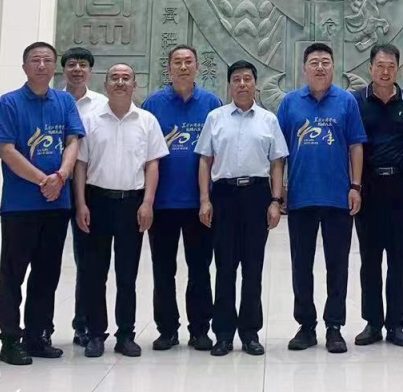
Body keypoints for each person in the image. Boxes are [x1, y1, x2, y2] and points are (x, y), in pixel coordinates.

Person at [0, 42, 84, 365]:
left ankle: (37, 335)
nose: (42, 65)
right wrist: (44, 180)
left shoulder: (64, 101)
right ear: (25, 66)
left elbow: (72, 141)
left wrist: (61, 175)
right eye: (35, 60)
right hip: (21, 205)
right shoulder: (9, 102)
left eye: (47, 60)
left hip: (57, 205)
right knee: (13, 275)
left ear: (54, 66)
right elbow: (7, 150)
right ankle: (9, 340)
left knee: (47, 274)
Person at [277, 43, 367, 353]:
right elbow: (279, 152)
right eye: (314, 62)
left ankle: (334, 326)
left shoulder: (346, 101)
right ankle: (306, 325)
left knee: (337, 265)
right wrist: (280, 190)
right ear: (304, 68)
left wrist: (355, 186)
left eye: (325, 62)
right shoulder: (290, 103)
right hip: (300, 197)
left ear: (333, 67)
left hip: (337, 197)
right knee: (301, 265)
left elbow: (356, 146)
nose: (320, 67)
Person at [74, 64, 169, 358]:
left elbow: (152, 164)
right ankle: (95, 334)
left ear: (134, 84)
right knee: (94, 273)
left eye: (126, 78)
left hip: (132, 203)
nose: (120, 82)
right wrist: (81, 203)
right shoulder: (90, 120)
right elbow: (80, 165)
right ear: (105, 84)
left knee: (127, 275)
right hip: (96, 201)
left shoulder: (147, 121)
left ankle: (126, 334)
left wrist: (147, 202)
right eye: (114, 78)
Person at [196, 60, 288, 356]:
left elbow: (277, 163)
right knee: (224, 267)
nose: (242, 84)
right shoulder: (215, 117)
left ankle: (250, 333)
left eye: (247, 79)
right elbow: (205, 161)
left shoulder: (268, 120)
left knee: (253, 267)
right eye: (236, 79)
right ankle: (223, 334)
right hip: (223, 195)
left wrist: (275, 201)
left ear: (255, 84)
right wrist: (205, 199)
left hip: (257, 195)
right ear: (229, 85)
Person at [142, 46, 222, 352]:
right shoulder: (153, 105)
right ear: (169, 68)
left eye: (189, 62)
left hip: (200, 204)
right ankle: (167, 330)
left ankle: (200, 329)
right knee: (163, 270)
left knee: (200, 269)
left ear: (197, 67)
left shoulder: (211, 104)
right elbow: (146, 154)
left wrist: (208, 198)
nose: (183, 67)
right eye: (178, 62)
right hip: (162, 204)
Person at [350, 43, 403, 347]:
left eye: (391, 66)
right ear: (370, 68)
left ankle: (396, 324)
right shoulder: (356, 102)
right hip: (369, 186)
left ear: (397, 69)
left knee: (398, 259)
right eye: (380, 66)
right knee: (369, 258)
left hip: (401, 186)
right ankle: (373, 323)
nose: (385, 71)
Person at [61, 46, 106, 347]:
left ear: (90, 70)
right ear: (63, 69)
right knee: (47, 259)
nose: (77, 69)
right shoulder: (52, 99)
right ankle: (40, 327)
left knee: (87, 260)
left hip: (87, 189)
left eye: (83, 65)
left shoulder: (101, 104)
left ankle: (85, 323)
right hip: (49, 186)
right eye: (72, 64)